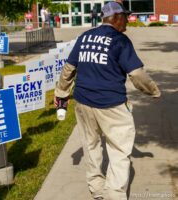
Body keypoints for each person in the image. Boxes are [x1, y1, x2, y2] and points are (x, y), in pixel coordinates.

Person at [54, 2, 161, 200]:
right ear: (117, 17)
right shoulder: (120, 40)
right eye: (125, 17)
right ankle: (114, 196)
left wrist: (61, 93)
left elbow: (69, 68)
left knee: (91, 146)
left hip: (84, 102)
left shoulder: (85, 37)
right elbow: (137, 74)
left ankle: (97, 191)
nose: (128, 20)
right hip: (112, 105)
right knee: (120, 151)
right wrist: (154, 91)